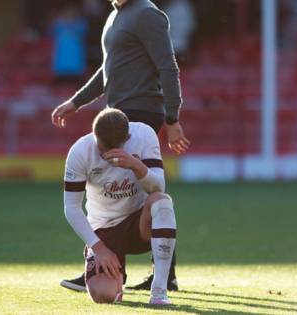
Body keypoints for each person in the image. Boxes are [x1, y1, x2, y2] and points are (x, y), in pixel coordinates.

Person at [51, 0, 190, 292]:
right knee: (124, 185)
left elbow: (168, 65)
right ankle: (118, 266)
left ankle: (138, 270)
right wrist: (76, 102)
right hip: (120, 112)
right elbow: (107, 70)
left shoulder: (147, 14)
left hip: (140, 111)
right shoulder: (116, 16)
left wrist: (172, 117)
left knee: (135, 186)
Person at [63, 108, 177, 304]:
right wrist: (99, 248)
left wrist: (136, 165)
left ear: (128, 137)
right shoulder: (80, 150)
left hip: (139, 224)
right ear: (94, 134)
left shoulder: (143, 134)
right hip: (103, 230)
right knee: (103, 295)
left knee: (162, 202)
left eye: (112, 148)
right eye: (102, 147)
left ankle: (159, 289)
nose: (106, 153)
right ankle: (116, 280)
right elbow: (71, 208)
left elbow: (159, 187)